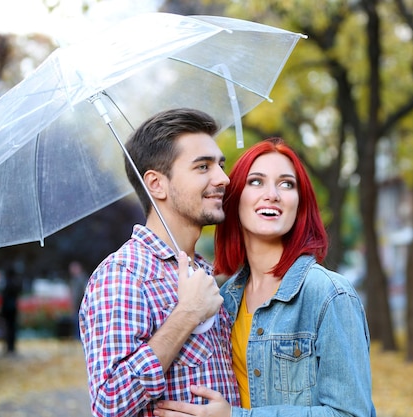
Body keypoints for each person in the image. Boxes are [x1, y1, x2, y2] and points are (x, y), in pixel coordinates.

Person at [155, 138, 375, 416]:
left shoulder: (328, 294)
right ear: (234, 199)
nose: (272, 194)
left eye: (286, 184)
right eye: (256, 182)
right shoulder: (223, 301)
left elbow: (351, 413)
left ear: (299, 204)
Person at [78, 108, 240, 417]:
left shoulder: (201, 271)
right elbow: (109, 403)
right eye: (203, 167)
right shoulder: (124, 275)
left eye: (220, 165)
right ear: (156, 184)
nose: (223, 178)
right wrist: (186, 314)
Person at [0, 267, 23, 354]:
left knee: (8, 328)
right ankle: (11, 346)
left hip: (7, 309)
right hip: (13, 308)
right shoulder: (15, 283)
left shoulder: (7, 283)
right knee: (12, 328)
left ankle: (9, 346)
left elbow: (4, 298)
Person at [68, 261, 87, 340]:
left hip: (80, 307)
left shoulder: (82, 279)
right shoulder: (74, 280)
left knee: (79, 326)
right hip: (77, 307)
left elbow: (84, 293)